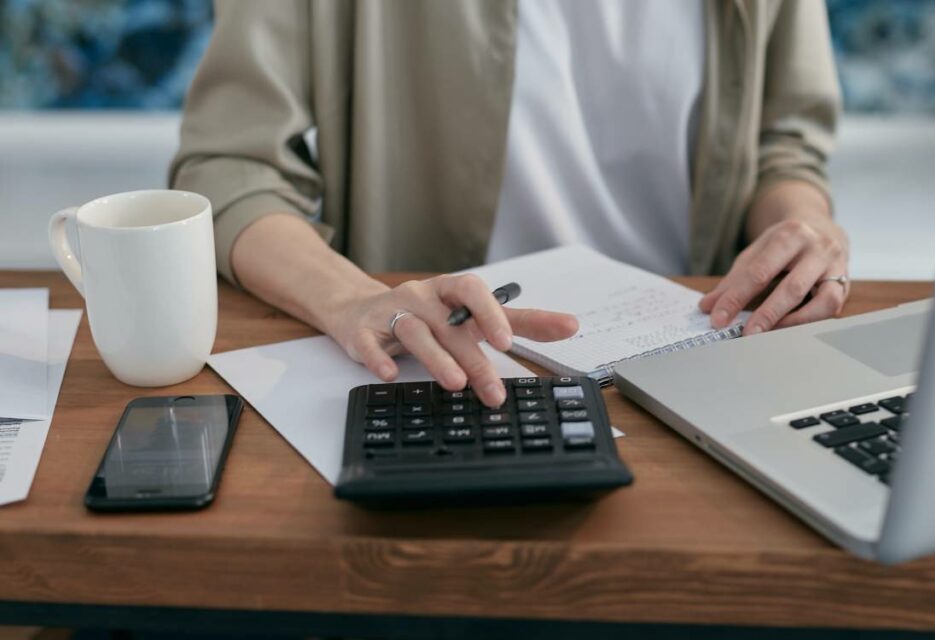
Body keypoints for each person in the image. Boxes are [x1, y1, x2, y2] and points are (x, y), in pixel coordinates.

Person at [171, 0, 847, 409]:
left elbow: (783, 146)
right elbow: (230, 165)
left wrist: (804, 224)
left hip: (695, 359)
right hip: (441, 372)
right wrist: (352, 300)